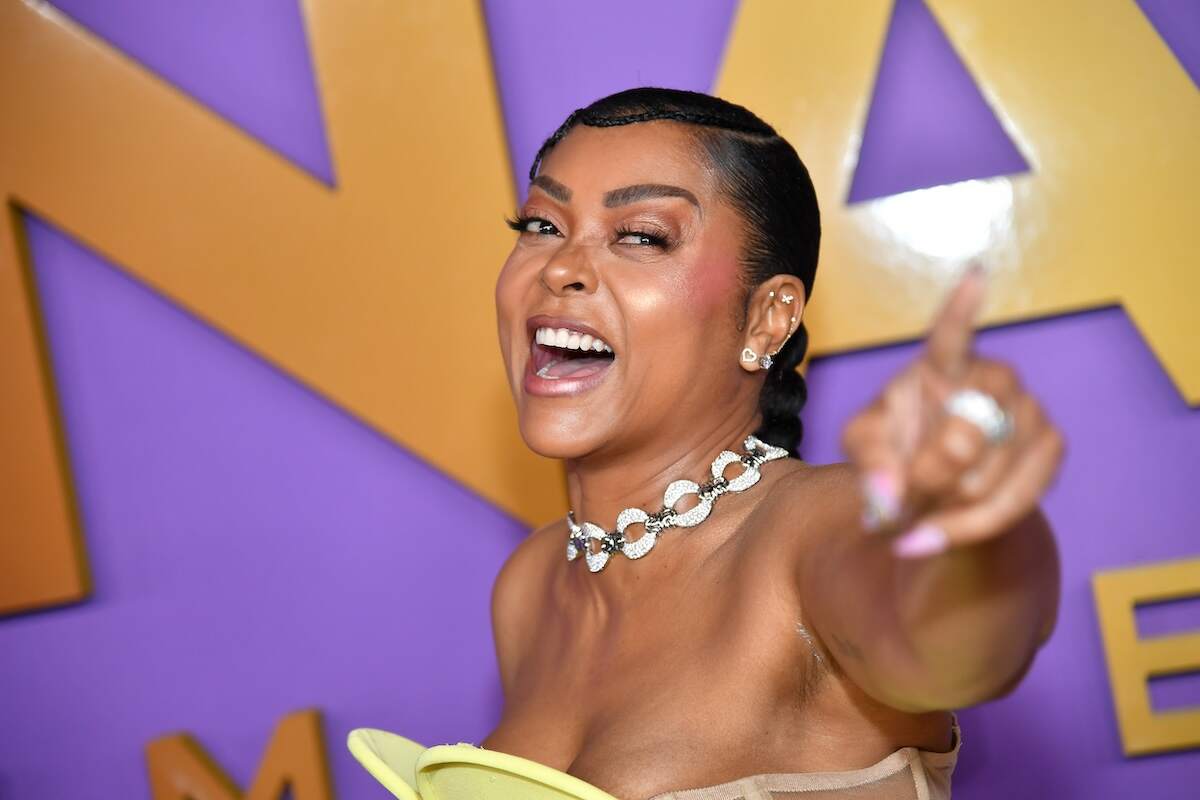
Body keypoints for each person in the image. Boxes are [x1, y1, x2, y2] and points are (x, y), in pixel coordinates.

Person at [479, 87, 1062, 800]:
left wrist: (968, 528)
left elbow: (950, 631)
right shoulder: (531, 587)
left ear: (766, 319)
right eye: (540, 223)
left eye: (641, 236)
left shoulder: (811, 529)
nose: (559, 266)